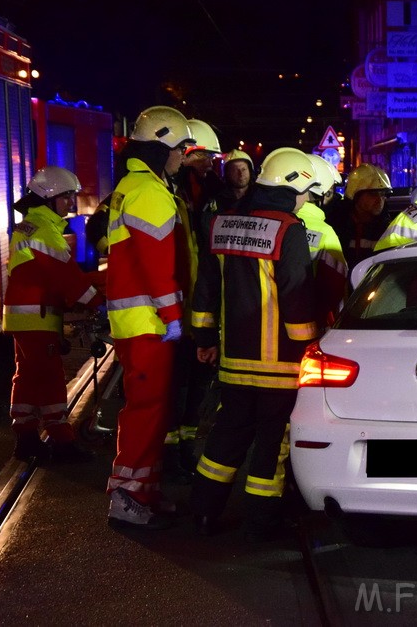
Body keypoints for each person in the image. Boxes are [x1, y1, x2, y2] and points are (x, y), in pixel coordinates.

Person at [190, 147, 319, 541]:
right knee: (270, 444)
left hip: (233, 361)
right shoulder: (288, 229)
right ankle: (261, 523)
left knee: (226, 436)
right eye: (307, 191)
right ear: (293, 187)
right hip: (279, 365)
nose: (307, 199)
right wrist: (308, 347)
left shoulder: (223, 224)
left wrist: (205, 337)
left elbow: (206, 287)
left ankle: (203, 514)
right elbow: (296, 296)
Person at [105, 105, 195, 530]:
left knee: (154, 410)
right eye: (179, 148)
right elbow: (157, 264)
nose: (183, 156)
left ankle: (145, 491)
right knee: (145, 410)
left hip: (142, 321)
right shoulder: (149, 193)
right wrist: (173, 314)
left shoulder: (135, 186)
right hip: (149, 323)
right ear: (161, 147)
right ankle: (126, 498)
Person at [3, 166, 104, 462]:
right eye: (66, 197)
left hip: (22, 315)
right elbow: (65, 277)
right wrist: (96, 302)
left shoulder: (30, 225)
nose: (70, 203)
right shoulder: (45, 230)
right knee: (49, 378)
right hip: (38, 315)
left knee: (27, 377)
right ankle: (62, 441)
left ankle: (26, 438)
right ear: (49, 198)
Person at [163, 119, 222, 482]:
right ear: (188, 154)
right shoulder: (168, 188)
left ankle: (183, 450)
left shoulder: (213, 189)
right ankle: (169, 455)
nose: (210, 164)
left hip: (198, 297)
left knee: (195, 384)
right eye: (205, 157)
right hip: (176, 299)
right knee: (176, 384)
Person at [301, 154, 348, 328]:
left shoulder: (273, 222)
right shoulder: (324, 232)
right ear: (322, 192)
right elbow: (336, 287)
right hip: (311, 325)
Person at [324, 163, 393, 268]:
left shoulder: (388, 230)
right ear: (354, 194)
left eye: (383, 194)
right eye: (373, 194)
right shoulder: (335, 225)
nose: (379, 200)